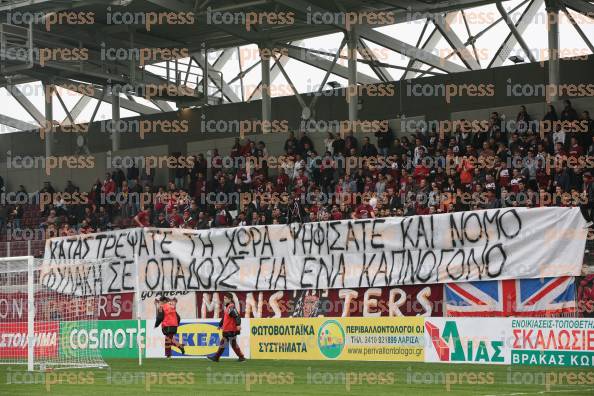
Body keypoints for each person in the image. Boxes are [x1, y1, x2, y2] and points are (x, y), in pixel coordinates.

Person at [207, 292, 245, 362]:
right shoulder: (228, 307)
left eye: (225, 298)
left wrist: (238, 325)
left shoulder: (231, 307)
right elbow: (224, 317)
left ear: (230, 299)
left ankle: (216, 357)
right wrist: (220, 325)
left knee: (224, 344)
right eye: (224, 298)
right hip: (227, 330)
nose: (224, 300)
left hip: (230, 330)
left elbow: (237, 316)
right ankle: (241, 357)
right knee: (231, 344)